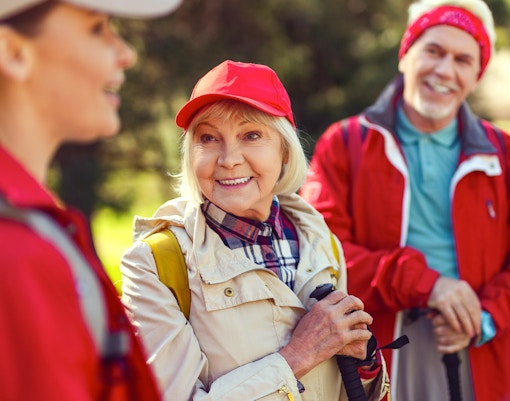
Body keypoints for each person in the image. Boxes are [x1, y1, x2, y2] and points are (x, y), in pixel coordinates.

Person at [120, 60, 389, 401]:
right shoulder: (155, 264)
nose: (229, 158)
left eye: (251, 135)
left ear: (285, 150)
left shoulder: (322, 243)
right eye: (208, 138)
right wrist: (297, 357)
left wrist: (366, 363)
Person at [300, 0, 510, 400]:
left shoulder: (503, 153)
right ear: (406, 55)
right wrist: (428, 285)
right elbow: (323, 256)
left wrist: (484, 317)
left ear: (475, 75)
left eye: (463, 59)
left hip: (480, 348)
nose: (445, 70)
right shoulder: (344, 144)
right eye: (433, 51)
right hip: (379, 350)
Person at [0, 0, 182, 400]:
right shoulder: (16, 254)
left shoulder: (34, 228)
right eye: (98, 29)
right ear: (13, 53)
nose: (126, 53)